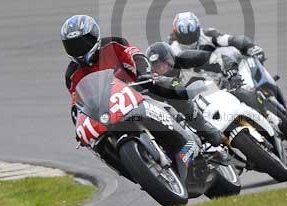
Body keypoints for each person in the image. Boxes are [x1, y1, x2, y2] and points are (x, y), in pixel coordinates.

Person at [61, 15, 200, 167]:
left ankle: (205, 130)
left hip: (139, 88)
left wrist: (145, 73)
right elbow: (78, 103)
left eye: (84, 42)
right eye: (72, 45)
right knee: (98, 143)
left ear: (95, 36)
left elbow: (136, 56)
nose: (80, 49)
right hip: (109, 110)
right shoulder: (72, 75)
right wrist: (78, 120)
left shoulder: (113, 43)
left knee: (172, 87)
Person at [144, 42, 227, 148]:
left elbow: (216, 57)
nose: (162, 69)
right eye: (157, 67)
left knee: (242, 93)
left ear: (171, 58)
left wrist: (230, 71)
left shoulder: (185, 58)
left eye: (164, 64)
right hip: (188, 116)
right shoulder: (155, 84)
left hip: (215, 93)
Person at [168, 11, 266, 61]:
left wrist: (251, 48)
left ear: (198, 30)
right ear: (176, 34)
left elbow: (234, 40)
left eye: (191, 36)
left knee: (228, 51)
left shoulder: (209, 35)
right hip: (192, 86)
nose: (189, 40)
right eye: (184, 38)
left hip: (221, 77)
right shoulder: (172, 48)